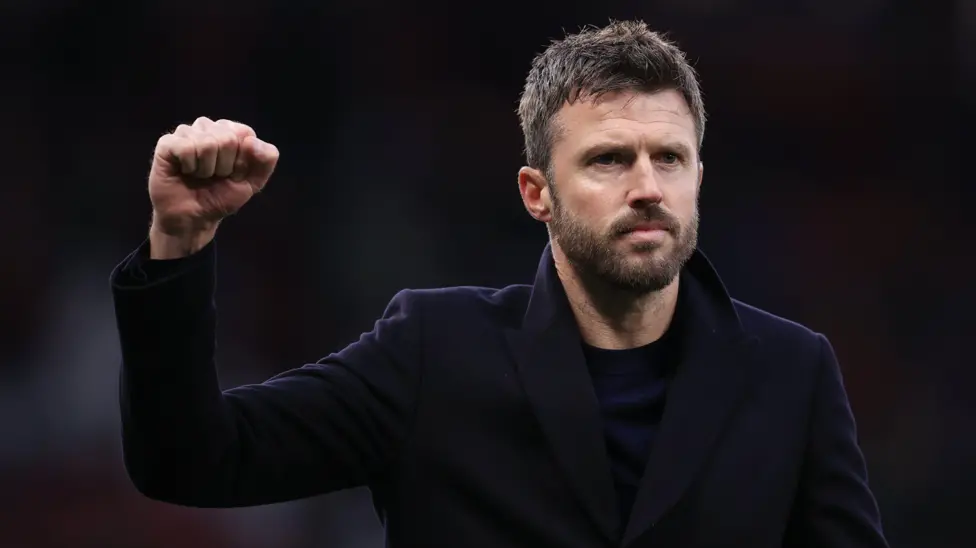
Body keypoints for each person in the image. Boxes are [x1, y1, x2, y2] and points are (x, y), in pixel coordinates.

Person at [110, 20, 888, 548]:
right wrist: (178, 240)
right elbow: (190, 460)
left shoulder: (792, 371)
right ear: (535, 192)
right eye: (609, 159)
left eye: (671, 158)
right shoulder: (433, 353)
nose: (648, 186)